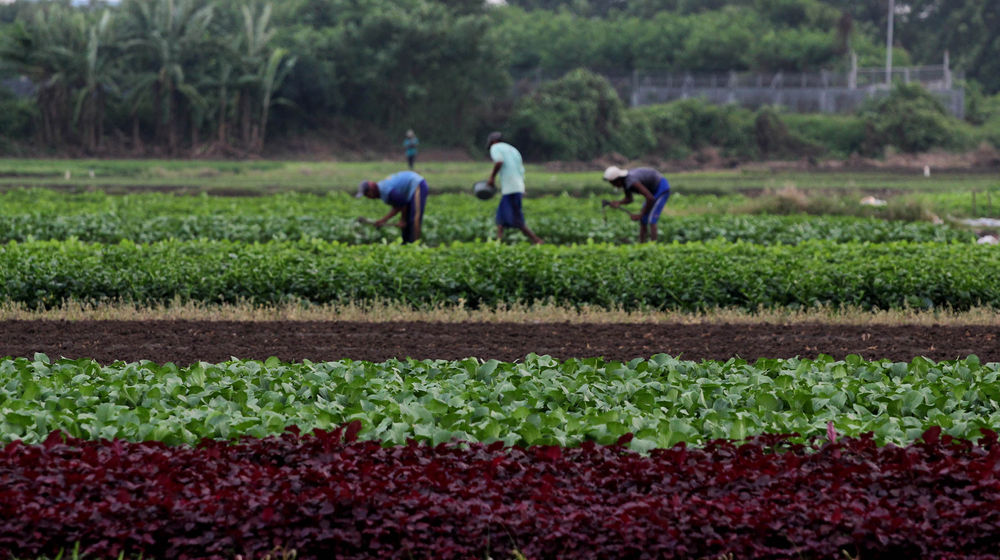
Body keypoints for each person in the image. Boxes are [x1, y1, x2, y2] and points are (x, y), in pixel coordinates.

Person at [486, 131, 543, 244]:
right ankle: (498, 241)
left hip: (510, 188)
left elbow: (499, 162)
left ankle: (537, 240)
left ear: (493, 141)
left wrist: (491, 178)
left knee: (517, 218)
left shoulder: (495, 147)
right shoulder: (513, 149)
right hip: (516, 186)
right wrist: (522, 187)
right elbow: (520, 170)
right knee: (501, 216)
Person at [602, 166, 671, 243]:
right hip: (652, 192)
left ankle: (653, 246)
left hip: (661, 188)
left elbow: (650, 198)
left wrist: (640, 214)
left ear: (618, 180)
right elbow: (629, 199)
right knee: (643, 219)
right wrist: (618, 202)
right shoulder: (625, 183)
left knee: (652, 219)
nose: (614, 186)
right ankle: (641, 245)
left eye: (613, 183)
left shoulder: (632, 181)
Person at [356, 170, 428, 244]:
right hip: (409, 191)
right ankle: (406, 244)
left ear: (371, 190)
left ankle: (415, 244)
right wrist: (383, 220)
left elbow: (402, 204)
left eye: (367, 195)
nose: (369, 197)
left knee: (415, 218)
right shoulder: (383, 191)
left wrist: (402, 220)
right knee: (408, 220)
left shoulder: (386, 190)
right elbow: (398, 206)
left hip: (417, 184)